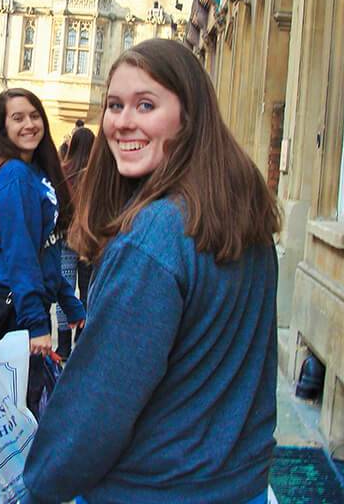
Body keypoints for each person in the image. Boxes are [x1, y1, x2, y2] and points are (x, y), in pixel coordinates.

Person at [22, 39, 280, 504]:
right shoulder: (242, 217)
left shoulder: (155, 239)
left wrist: (39, 485)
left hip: (151, 488)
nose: (123, 122)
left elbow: (98, 406)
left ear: (189, 115)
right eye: (115, 105)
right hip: (235, 485)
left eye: (146, 104)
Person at [0, 88, 85, 417]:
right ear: (2, 128)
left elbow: (45, 247)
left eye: (34, 116)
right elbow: (20, 257)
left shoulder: (35, 173)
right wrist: (37, 325)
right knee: (19, 413)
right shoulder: (14, 176)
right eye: (17, 118)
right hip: (10, 310)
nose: (29, 124)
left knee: (23, 411)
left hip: (22, 305)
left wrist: (68, 300)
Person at [54, 126, 96, 359]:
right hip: (90, 242)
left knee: (65, 292)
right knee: (87, 294)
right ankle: (82, 341)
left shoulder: (62, 172)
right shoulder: (97, 175)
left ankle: (63, 345)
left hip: (66, 238)